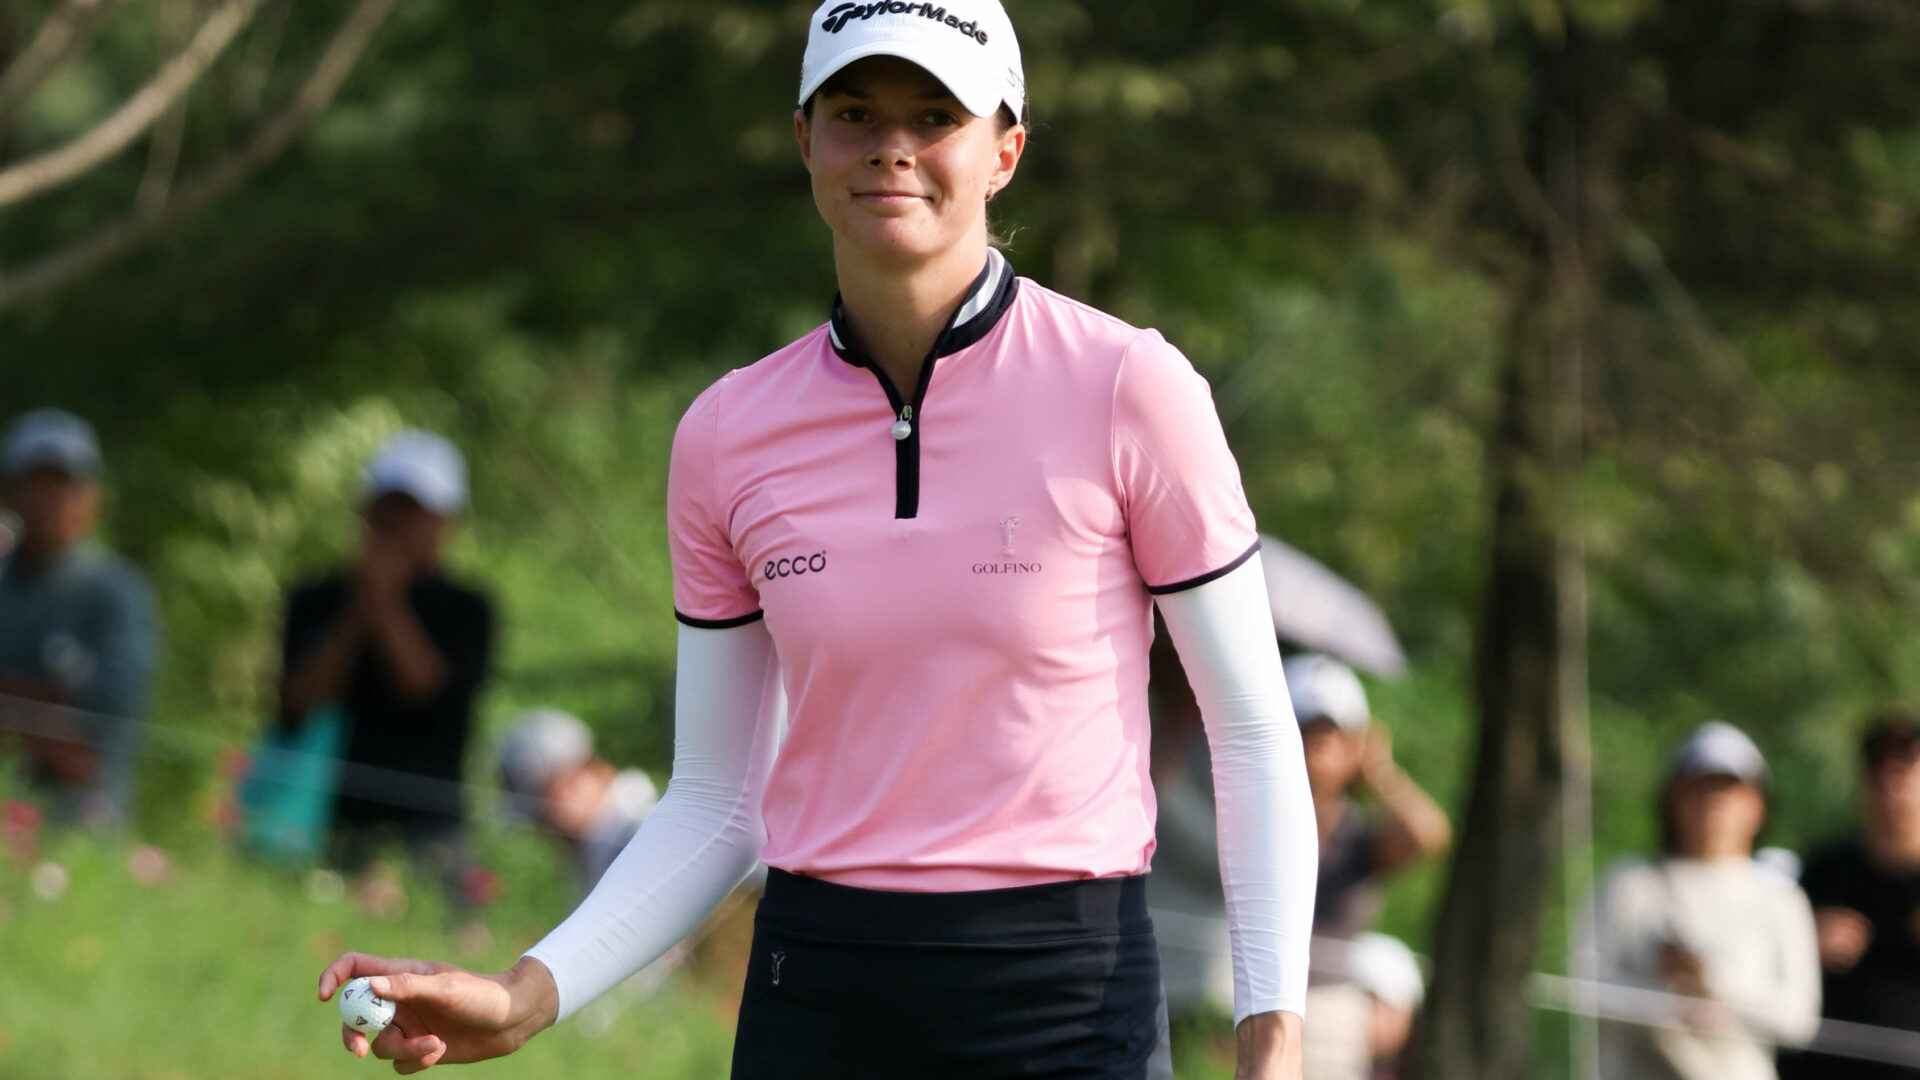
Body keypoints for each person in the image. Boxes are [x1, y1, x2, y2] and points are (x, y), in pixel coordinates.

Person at [315, 3, 1320, 1077]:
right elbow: (717, 802)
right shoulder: (728, 434)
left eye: (936, 114)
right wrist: (523, 996)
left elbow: (1254, 734)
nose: (892, 145)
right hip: (818, 999)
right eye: (854, 111)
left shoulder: (1129, 388)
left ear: (1005, 150)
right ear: (806, 141)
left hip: (1067, 1007)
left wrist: (1274, 1048)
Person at [278, 430, 493, 889]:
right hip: (325, 825)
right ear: (366, 509)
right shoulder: (315, 599)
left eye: (416, 510)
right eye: (390, 505)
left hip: (431, 831)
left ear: (447, 521)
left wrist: (384, 603)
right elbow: (297, 703)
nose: (399, 523)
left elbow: (427, 691)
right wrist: (359, 611)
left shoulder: (469, 611)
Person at [1591, 721, 1820, 1080]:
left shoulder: (1780, 897)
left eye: (1728, 789)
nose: (1715, 802)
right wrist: (1667, 999)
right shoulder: (1629, 884)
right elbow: (1585, 989)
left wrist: (1713, 981)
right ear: (1673, 798)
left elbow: (1799, 1022)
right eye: (1701, 788)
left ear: (1758, 804)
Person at [0, 409, 159, 828]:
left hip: (78, 824)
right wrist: (40, 704)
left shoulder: (119, 592)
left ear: (92, 499)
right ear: (9, 492)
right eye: (35, 483)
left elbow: (106, 718)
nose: (50, 499)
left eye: (65, 485)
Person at [1782, 709, 1920, 1080]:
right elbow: (1769, 967)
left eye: (1905, 767)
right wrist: (1805, 942)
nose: (1892, 784)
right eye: (1879, 769)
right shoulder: (1826, 872)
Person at [497, 707, 661, 894]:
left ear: (581, 775)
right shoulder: (599, 864)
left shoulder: (644, 839)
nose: (545, 831)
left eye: (543, 811)